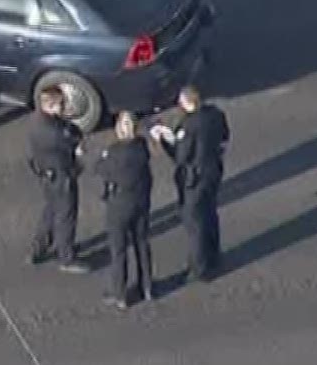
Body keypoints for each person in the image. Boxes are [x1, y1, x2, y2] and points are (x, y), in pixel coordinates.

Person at [155, 84, 229, 283]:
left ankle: (199, 267)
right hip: (213, 170)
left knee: (195, 222)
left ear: (185, 102)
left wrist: (164, 140)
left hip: (193, 177)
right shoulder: (216, 114)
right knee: (210, 212)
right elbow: (224, 139)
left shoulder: (188, 125)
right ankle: (214, 255)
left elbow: (181, 156)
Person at [26, 85, 88, 271]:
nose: (64, 107)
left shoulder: (35, 121)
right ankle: (66, 257)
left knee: (51, 211)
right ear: (51, 105)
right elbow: (73, 139)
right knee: (66, 215)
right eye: (61, 104)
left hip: (46, 173)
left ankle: (39, 248)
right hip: (63, 175)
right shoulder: (55, 133)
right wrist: (79, 152)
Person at [96, 112, 155, 309]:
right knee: (142, 244)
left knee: (119, 250)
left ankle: (120, 294)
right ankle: (147, 287)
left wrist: (103, 156)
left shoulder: (114, 151)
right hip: (141, 201)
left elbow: (101, 169)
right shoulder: (142, 146)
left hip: (119, 204)